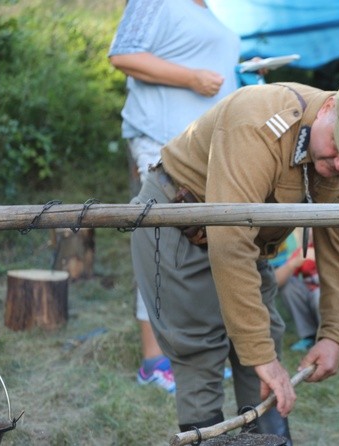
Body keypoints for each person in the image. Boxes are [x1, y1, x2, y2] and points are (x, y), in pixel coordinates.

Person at [130, 72, 339, 437]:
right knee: (202, 349)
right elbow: (229, 241)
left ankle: (268, 439)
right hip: (178, 221)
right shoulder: (256, 123)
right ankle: (206, 436)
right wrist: (259, 356)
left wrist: (332, 333)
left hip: (242, 241)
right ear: (330, 106)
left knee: (263, 345)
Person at [108, 0, 240, 394]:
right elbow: (123, 54)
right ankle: (153, 362)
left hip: (207, 150)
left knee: (198, 251)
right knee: (158, 247)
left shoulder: (208, 8)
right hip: (164, 144)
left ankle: (192, 354)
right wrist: (191, 79)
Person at [270, 229, 339, 352]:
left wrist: (323, 259)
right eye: (311, 228)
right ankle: (309, 336)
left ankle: (338, 340)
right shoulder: (306, 250)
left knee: (321, 293)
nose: (314, 232)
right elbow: (274, 283)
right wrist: (293, 264)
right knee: (288, 284)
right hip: (316, 310)